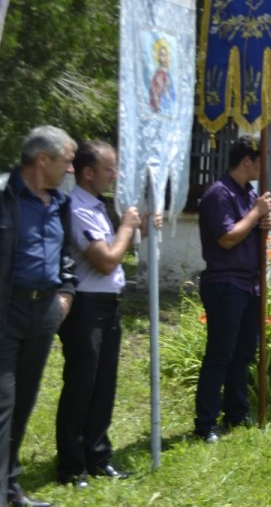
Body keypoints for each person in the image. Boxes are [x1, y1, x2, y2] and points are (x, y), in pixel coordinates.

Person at [56, 141, 157, 488]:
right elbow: (106, 260)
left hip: (108, 304)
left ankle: (98, 456)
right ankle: (72, 467)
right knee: (81, 386)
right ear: (88, 173)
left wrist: (140, 226)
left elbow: (115, 243)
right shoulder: (78, 208)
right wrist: (128, 226)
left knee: (104, 386)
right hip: (86, 306)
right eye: (109, 168)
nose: (114, 175)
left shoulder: (97, 206)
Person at [0, 126, 78, 507]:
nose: (71, 169)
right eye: (67, 161)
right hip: (7, 310)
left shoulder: (59, 203)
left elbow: (65, 255)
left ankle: (10, 486)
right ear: (43, 159)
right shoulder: (4, 195)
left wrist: (66, 293)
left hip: (44, 310)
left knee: (25, 400)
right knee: (3, 400)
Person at [194, 136, 271, 443]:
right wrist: (255, 214)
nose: (262, 168)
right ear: (247, 161)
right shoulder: (219, 193)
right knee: (220, 354)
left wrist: (261, 222)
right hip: (225, 283)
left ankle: (236, 412)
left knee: (243, 353)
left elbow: (248, 230)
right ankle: (206, 423)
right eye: (260, 161)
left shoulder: (249, 193)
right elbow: (227, 238)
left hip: (249, 284)